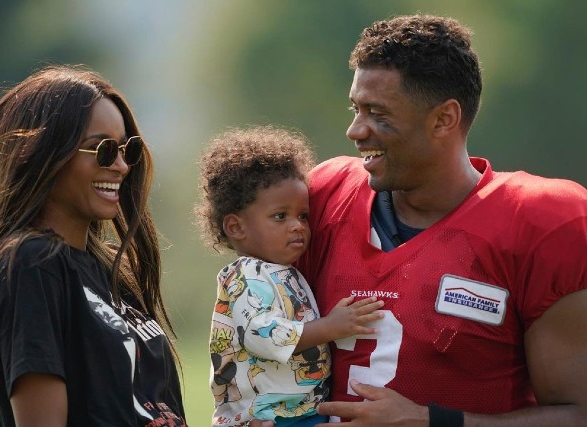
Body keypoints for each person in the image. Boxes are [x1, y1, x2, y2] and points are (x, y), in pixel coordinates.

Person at [288, 14, 587, 426]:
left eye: (377, 112)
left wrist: (432, 422)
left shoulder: (539, 222)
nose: (355, 130)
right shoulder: (323, 195)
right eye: (356, 108)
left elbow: (579, 413)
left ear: (444, 119)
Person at [0, 65, 187, 426]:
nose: (122, 165)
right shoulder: (31, 265)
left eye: (128, 149)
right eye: (102, 149)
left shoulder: (114, 271)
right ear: (41, 153)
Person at [195, 126, 385, 427]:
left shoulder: (286, 271)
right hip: (270, 418)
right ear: (236, 227)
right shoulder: (246, 276)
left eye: (303, 216)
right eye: (280, 216)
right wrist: (330, 327)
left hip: (298, 413)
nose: (297, 226)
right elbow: (263, 336)